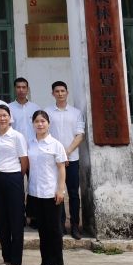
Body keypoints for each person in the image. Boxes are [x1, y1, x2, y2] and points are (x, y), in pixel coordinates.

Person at [27, 110, 67, 265]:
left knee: (54, 230)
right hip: (35, 192)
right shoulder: (30, 143)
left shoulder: (56, 144)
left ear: (48, 124)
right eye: (37, 121)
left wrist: (60, 190)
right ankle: (45, 262)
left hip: (51, 193)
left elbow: (61, 168)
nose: (40, 124)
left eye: (43, 121)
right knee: (42, 230)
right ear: (33, 124)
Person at [0, 104, 28, 265]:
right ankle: (6, 259)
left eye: (5, 115)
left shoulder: (17, 136)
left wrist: (17, 177)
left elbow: (24, 161)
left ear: (10, 117)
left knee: (16, 221)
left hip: (13, 178)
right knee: (2, 221)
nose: (2, 118)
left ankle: (16, 262)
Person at [45, 80, 85, 239]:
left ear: (67, 93)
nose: (60, 93)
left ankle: (75, 225)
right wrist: (59, 155)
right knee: (57, 192)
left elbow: (80, 135)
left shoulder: (76, 113)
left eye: (62, 91)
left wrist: (66, 153)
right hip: (53, 160)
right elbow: (45, 135)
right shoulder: (47, 112)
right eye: (57, 91)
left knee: (74, 193)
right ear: (52, 93)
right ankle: (60, 225)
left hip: (72, 158)